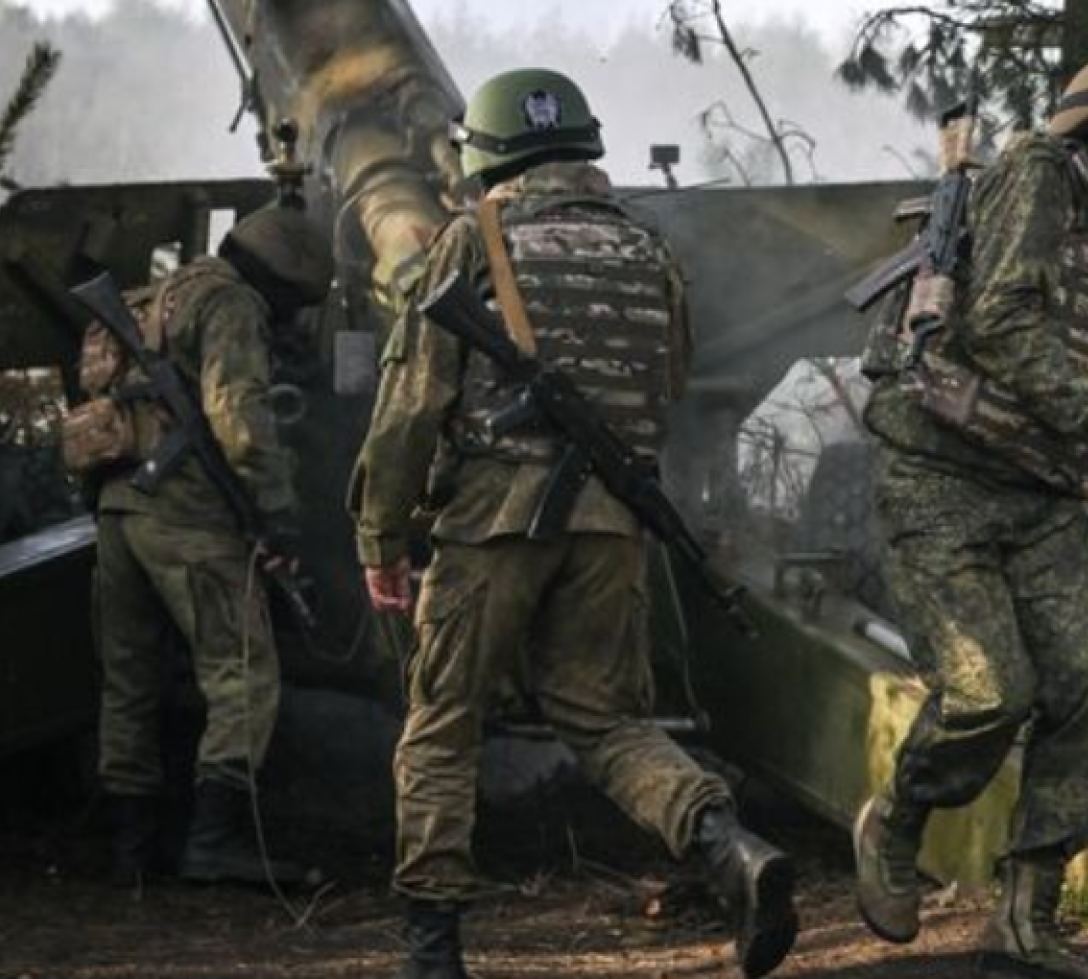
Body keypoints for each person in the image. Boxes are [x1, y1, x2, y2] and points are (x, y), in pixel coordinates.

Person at [348, 68, 799, 979]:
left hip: (490, 522)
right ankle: (726, 845)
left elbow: (410, 405)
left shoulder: (469, 241)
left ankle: (433, 953)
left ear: (486, 156)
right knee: (608, 721)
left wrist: (380, 536)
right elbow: (667, 385)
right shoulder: (646, 249)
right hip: (610, 523)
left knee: (443, 725)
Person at [851, 56, 1088, 978]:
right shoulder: (1037, 175)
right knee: (986, 692)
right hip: (943, 473)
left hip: (1040, 496)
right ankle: (896, 817)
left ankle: (1027, 915)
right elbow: (1004, 322)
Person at [82, 204, 332, 887]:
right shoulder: (231, 303)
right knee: (244, 675)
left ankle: (131, 852)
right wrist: (277, 516)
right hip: (189, 516)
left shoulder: (151, 295)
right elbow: (242, 422)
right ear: (280, 283)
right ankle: (214, 842)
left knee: (129, 681)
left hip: (118, 507)